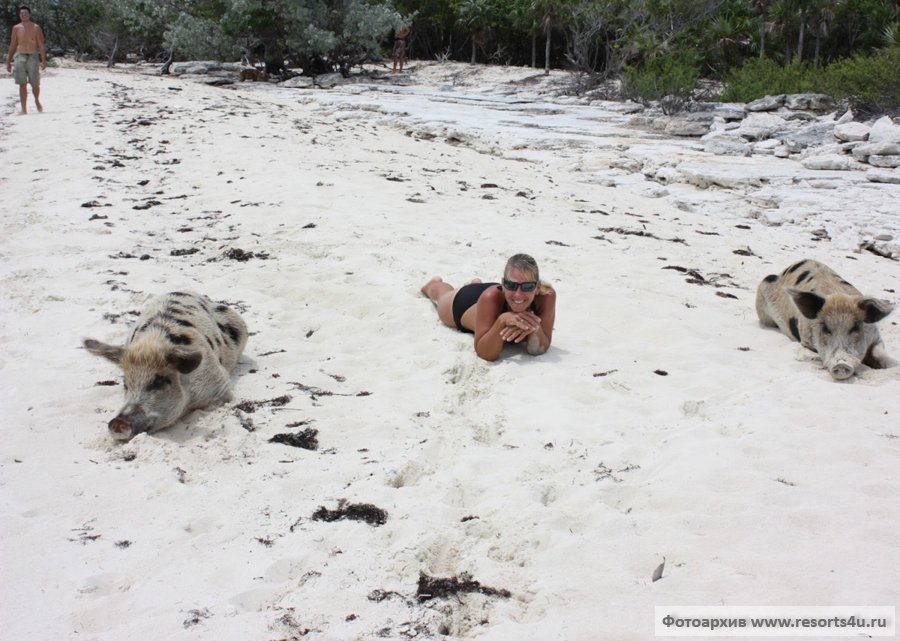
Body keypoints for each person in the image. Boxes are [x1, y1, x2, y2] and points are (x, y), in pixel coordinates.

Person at [421, 253, 557, 362]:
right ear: (503, 284)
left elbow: (539, 349)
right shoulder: (490, 298)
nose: (518, 294)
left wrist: (535, 327)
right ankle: (434, 284)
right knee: (442, 296)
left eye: (527, 287)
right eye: (511, 285)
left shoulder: (547, 296)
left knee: (507, 296)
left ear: (537, 287)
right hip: (467, 303)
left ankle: (476, 283)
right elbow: (485, 353)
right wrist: (501, 321)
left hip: (495, 296)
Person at [6, 5, 46, 115]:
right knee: (22, 83)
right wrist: (8, 61)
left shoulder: (36, 27)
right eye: (21, 13)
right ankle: (24, 109)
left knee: (35, 84)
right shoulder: (16, 28)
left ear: (29, 15)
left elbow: (41, 45)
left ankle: (37, 100)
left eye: (26, 13)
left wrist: (43, 60)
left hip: (33, 56)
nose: (23, 15)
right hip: (20, 56)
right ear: (19, 15)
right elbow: (13, 45)